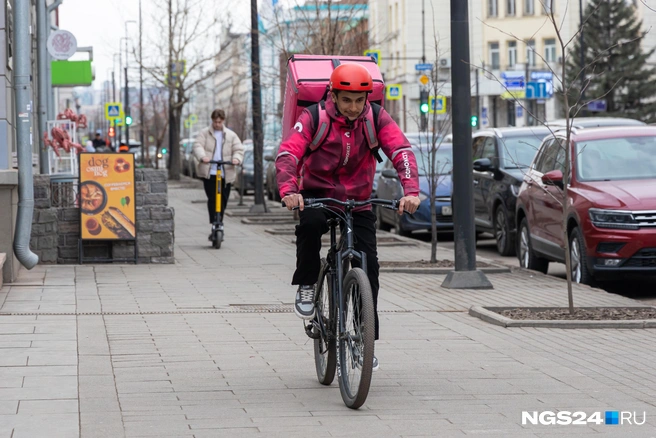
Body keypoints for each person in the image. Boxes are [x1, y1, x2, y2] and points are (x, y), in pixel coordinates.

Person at [276, 63, 421, 370]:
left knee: (369, 265)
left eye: (359, 100)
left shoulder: (375, 118)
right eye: (347, 100)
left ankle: (364, 338)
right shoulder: (314, 117)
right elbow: (289, 153)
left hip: (359, 199)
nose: (354, 107)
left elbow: (402, 151)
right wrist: (289, 188)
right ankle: (306, 283)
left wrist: (410, 190)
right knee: (310, 225)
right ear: (334, 95)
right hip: (319, 194)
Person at [193, 109, 244, 240]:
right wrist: (202, 156)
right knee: (212, 198)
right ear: (212, 121)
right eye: (215, 122)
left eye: (219, 122)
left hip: (225, 172)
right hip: (210, 172)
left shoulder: (231, 135)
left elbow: (238, 149)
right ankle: (214, 223)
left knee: (223, 199)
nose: (217, 124)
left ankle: (219, 222)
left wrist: (236, 159)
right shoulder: (204, 133)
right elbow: (197, 145)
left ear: (223, 121)